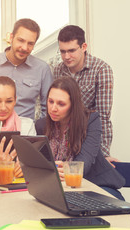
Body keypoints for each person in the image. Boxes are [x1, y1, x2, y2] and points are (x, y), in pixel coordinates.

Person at [35, 76, 125, 200]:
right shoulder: (41, 125)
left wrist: (54, 168)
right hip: (62, 187)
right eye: (50, 101)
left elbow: (83, 164)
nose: (53, 108)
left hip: (97, 185)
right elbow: (40, 164)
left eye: (61, 104)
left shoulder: (91, 121)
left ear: (73, 105)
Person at [53, 25, 116, 164]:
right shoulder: (58, 70)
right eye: (62, 51)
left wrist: (104, 155)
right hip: (64, 141)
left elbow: (103, 116)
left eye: (71, 50)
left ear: (84, 46)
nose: (66, 56)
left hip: (88, 137)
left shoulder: (101, 70)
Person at [0, 18, 53, 120]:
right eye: (21, 40)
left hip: (25, 132)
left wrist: (36, 129)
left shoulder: (42, 69)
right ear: (11, 37)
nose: (24, 47)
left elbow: (48, 108)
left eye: (30, 43)